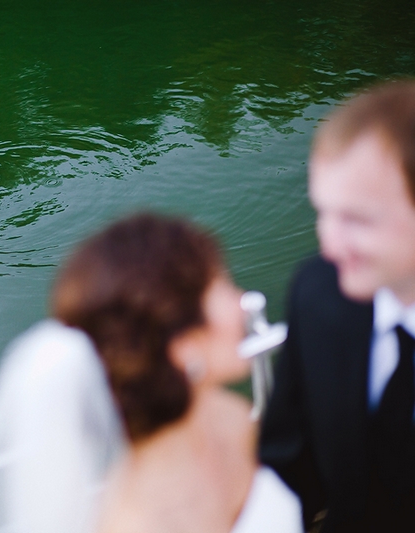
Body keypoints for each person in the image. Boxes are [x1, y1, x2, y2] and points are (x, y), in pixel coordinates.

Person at [51, 213, 302, 533]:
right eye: (222, 288)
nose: (242, 303)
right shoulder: (134, 524)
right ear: (184, 348)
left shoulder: (231, 419)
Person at [260, 80, 415, 531]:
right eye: (323, 212)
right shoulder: (319, 293)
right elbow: (288, 458)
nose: (330, 245)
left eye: (357, 219)